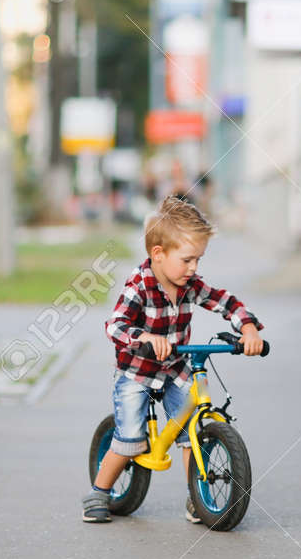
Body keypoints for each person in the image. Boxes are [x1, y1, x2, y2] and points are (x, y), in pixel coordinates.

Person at [84, 195, 265, 523]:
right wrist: (145, 338)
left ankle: (197, 496)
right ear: (158, 254)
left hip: (176, 367)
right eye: (187, 260)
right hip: (137, 371)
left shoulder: (190, 285)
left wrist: (248, 328)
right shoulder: (138, 286)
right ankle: (99, 491)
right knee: (129, 442)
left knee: (190, 433)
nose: (194, 268)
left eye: (198, 260)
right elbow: (115, 325)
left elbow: (225, 302)